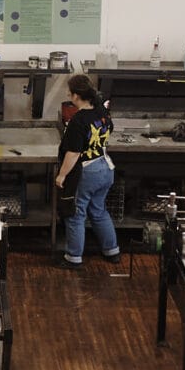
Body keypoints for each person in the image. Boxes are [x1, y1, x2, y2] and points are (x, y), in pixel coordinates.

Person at [54, 74, 120, 269]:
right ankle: (112, 251)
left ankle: (73, 258)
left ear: (76, 96)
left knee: (76, 214)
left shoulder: (78, 121)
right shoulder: (102, 113)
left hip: (87, 172)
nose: (68, 94)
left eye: (69, 92)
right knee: (98, 210)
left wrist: (62, 175)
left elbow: (73, 153)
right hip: (105, 168)